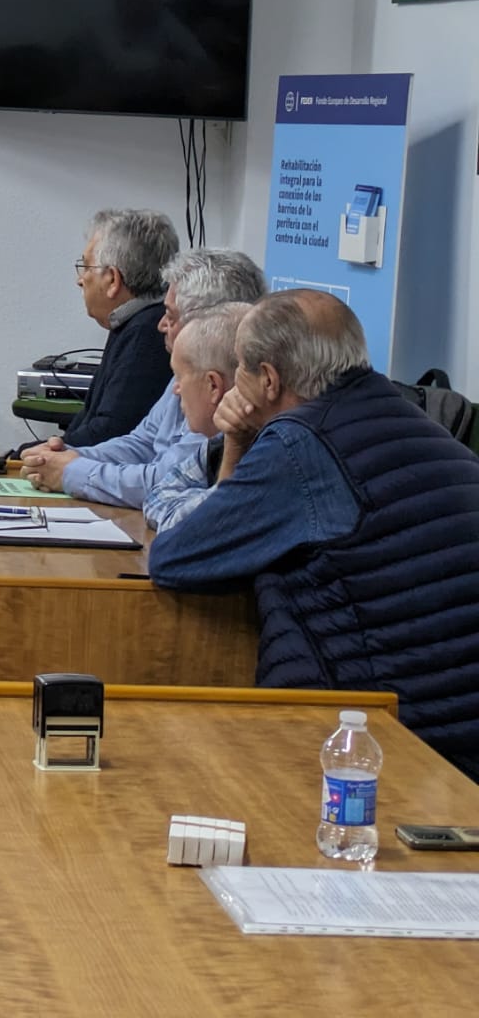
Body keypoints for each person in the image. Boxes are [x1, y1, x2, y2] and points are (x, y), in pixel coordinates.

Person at [149, 291, 479, 778]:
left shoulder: (299, 445)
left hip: (391, 744)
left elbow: (177, 557)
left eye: (241, 367)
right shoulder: (413, 420)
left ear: (268, 379)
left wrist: (238, 441)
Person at [22, 247, 265, 500]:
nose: (160, 325)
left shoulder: (231, 393)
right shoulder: (186, 372)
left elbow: (164, 481)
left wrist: (72, 472)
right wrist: (66, 457)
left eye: (170, 315)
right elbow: (142, 443)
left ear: (211, 323)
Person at [56, 208, 179, 448]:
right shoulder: (131, 323)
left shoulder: (149, 333)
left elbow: (110, 433)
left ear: (112, 280)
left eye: (86, 266)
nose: (79, 279)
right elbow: (89, 420)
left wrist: (37, 454)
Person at [140, 302, 251, 533]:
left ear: (213, 385)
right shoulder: (215, 446)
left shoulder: (257, 445)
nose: (175, 390)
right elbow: (156, 497)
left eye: (179, 377)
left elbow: (201, 530)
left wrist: (233, 451)